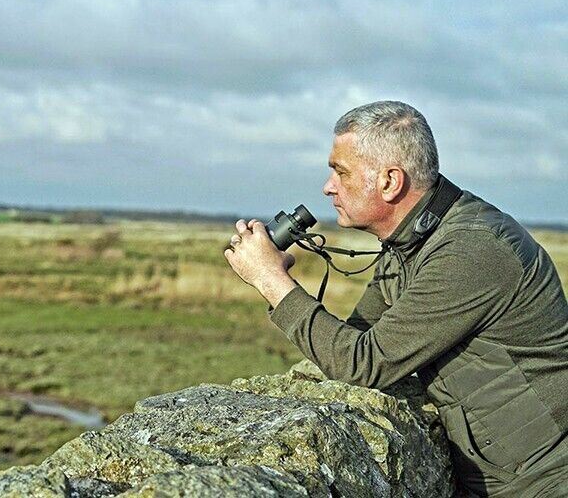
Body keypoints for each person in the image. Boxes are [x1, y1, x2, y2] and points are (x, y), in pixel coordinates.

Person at [224, 101, 568, 497]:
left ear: (390, 181)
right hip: (496, 476)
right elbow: (358, 336)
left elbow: (363, 365)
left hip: (545, 479)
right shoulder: (411, 242)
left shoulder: (470, 249)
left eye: (341, 172)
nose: (328, 187)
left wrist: (271, 280)